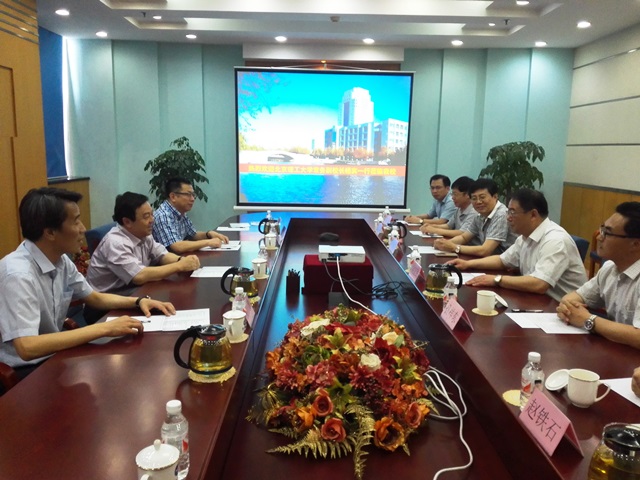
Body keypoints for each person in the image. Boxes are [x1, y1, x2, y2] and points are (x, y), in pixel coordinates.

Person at [0, 188, 175, 373]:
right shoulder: (18, 275)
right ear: (50, 232)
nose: (83, 229)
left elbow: (94, 297)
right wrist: (104, 328)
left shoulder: (60, 259)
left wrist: (139, 302)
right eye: (76, 221)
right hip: (23, 370)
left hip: (53, 353)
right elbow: (27, 347)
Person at [448, 189, 587, 301]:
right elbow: (502, 260)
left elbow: (539, 284)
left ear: (533, 215)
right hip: (537, 300)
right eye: (508, 211)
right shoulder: (525, 236)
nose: (508, 217)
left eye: (513, 212)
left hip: (562, 308)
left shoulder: (555, 240)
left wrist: (497, 279)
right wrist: (468, 264)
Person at [557, 202, 640, 349]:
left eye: (607, 233)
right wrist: (568, 309)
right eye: (602, 230)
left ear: (635, 244)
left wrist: (589, 320)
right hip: (618, 351)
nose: (599, 238)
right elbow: (572, 298)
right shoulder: (609, 268)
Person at [88, 192, 200, 295]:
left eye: (152, 214)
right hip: (109, 299)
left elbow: (161, 255)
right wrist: (179, 266)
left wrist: (182, 260)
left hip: (133, 289)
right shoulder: (115, 243)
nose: (152, 220)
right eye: (146, 216)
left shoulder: (143, 233)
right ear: (127, 222)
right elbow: (139, 276)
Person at [434, 178, 517, 257]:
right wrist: (444, 243)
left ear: (495, 197)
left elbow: (485, 250)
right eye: (474, 198)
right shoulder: (479, 215)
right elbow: (464, 237)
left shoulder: (501, 215)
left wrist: (455, 247)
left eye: (482, 197)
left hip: (508, 264)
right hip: (490, 260)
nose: (478, 202)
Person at [152, 177, 230, 254]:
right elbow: (177, 247)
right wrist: (208, 242)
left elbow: (193, 235)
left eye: (193, 195)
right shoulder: (163, 216)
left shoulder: (181, 212)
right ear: (173, 197)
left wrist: (208, 234)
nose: (192, 199)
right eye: (188, 194)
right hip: (164, 261)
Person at [420, 176, 477, 241]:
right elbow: (448, 226)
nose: (452, 197)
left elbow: (462, 233)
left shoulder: (474, 212)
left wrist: (435, 230)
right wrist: (431, 226)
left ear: (467, 195)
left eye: (455, 194)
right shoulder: (459, 209)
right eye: (452, 194)